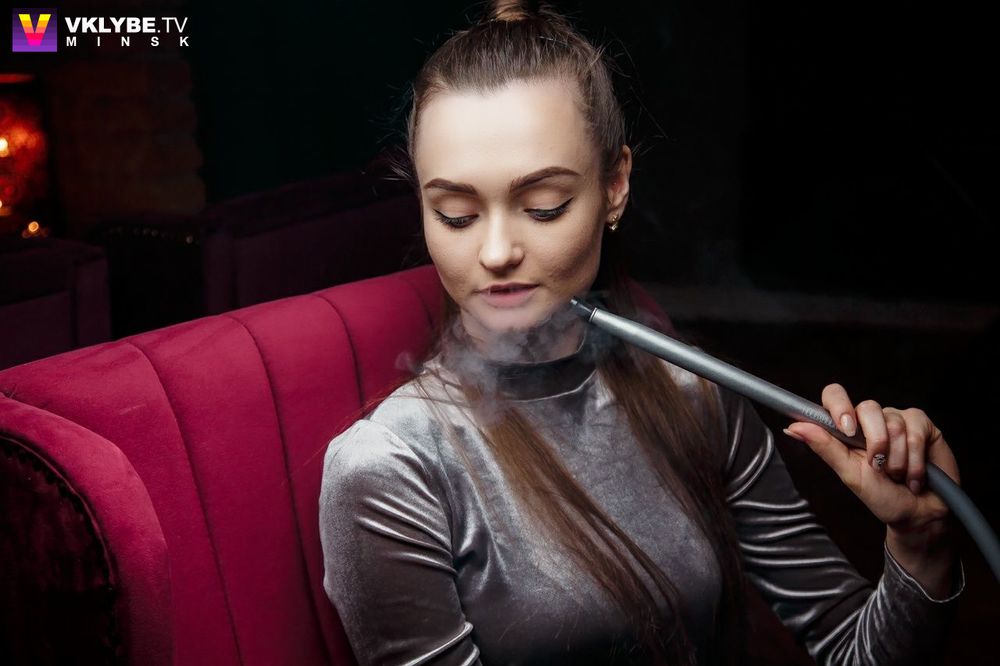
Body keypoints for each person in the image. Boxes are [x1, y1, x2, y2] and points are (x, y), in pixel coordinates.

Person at [319, 2, 965, 664]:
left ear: (616, 186)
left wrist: (920, 548)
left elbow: (856, 651)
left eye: (544, 206)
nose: (496, 251)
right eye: (455, 214)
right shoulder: (389, 468)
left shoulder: (696, 396)